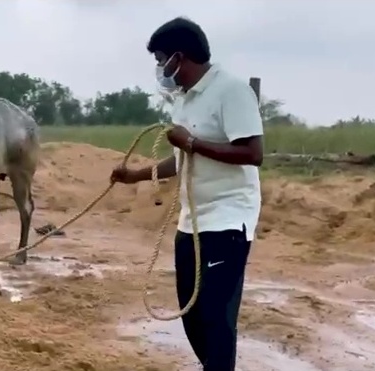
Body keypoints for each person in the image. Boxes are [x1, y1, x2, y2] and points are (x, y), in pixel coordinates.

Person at [110, 17, 263, 371]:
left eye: (160, 58)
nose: (159, 68)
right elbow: (182, 159)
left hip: (227, 220)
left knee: (216, 318)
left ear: (179, 57)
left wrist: (191, 142)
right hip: (191, 221)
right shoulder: (184, 100)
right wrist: (134, 176)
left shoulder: (232, 91)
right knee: (190, 314)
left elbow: (253, 154)